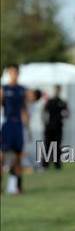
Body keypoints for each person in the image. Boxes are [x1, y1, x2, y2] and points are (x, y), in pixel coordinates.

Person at [0, 64, 28, 194]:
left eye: (15, 72)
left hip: (18, 126)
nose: (13, 75)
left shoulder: (22, 89)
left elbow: (24, 109)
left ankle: (17, 186)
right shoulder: (3, 89)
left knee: (18, 156)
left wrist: (27, 125)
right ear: (8, 74)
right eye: (11, 72)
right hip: (7, 124)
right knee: (3, 156)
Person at [42, 85, 69, 170]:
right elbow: (44, 112)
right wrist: (45, 123)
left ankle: (57, 164)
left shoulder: (62, 102)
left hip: (58, 127)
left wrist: (63, 116)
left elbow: (67, 113)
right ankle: (45, 165)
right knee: (48, 146)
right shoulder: (50, 101)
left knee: (57, 146)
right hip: (49, 127)